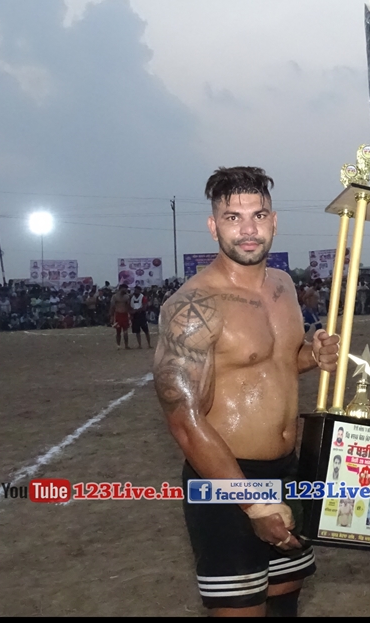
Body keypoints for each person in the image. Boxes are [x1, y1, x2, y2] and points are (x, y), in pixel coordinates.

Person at [154, 166, 340, 617]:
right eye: (233, 218)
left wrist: (313, 356)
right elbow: (183, 419)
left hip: (289, 470)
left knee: (285, 605)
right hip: (225, 481)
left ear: (274, 221)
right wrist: (254, 503)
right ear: (213, 226)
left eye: (258, 216)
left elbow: (277, 363)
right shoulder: (192, 306)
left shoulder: (283, 286)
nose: (249, 229)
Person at [110, 284, 132, 349]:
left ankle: (126, 345)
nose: (126, 290)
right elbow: (112, 307)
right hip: (118, 315)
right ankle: (118, 345)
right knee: (118, 331)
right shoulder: (115, 297)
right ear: (121, 288)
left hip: (125, 315)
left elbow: (129, 307)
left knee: (125, 331)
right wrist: (111, 316)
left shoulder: (127, 297)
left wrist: (130, 315)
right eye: (125, 289)